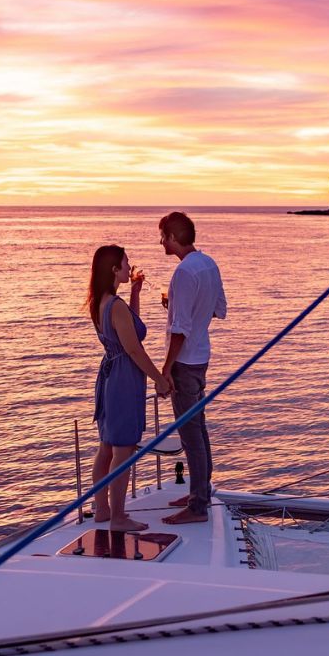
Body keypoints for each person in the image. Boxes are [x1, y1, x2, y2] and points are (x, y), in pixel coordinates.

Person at [87, 244, 172, 532]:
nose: (129, 266)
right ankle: (119, 518)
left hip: (110, 376)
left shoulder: (102, 302)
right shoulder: (116, 306)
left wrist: (135, 293)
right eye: (125, 263)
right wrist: (159, 379)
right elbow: (134, 349)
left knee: (107, 448)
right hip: (123, 379)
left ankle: (102, 509)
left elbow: (130, 328)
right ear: (114, 269)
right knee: (123, 450)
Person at [157, 212, 227, 525]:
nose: (161, 242)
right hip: (202, 355)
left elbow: (180, 329)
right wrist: (175, 307)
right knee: (198, 429)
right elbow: (216, 309)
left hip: (185, 362)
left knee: (191, 434)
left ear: (173, 236)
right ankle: (201, 491)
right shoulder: (208, 263)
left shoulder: (184, 273)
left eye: (162, 236)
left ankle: (198, 506)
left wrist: (165, 369)